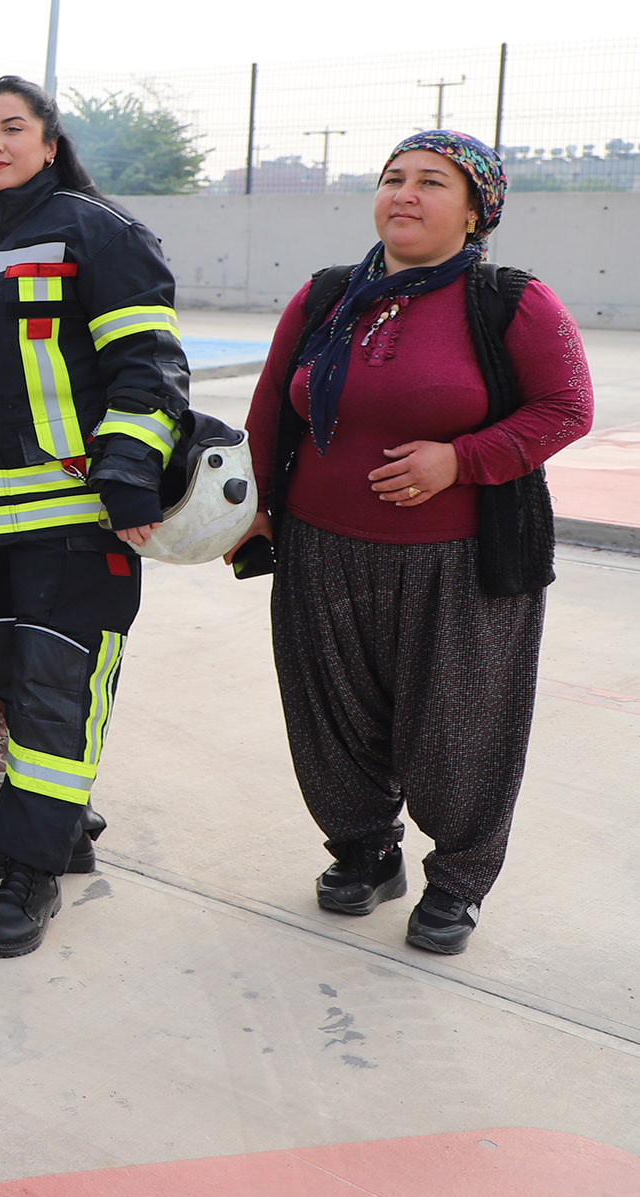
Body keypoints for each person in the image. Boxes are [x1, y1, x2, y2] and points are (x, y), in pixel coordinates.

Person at [241, 131, 589, 956]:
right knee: (332, 719)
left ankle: (458, 881)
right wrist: (253, 506)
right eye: (393, 177)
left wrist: (458, 460)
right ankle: (365, 851)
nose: (405, 193)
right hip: (321, 547)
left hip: (461, 560)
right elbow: (272, 407)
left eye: (432, 182)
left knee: (459, 729)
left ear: (475, 211)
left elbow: (564, 407)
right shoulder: (328, 295)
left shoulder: (511, 299)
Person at [0, 75, 189, 959]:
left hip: (79, 520)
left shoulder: (98, 234)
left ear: (50, 141)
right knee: (19, 688)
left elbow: (148, 366)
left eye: (12, 128)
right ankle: (58, 823)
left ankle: (35, 869)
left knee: (61, 691)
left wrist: (131, 478)